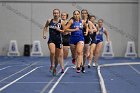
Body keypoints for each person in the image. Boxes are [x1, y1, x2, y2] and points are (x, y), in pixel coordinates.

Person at [43, 9, 64, 76]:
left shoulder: (62, 22)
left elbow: (65, 31)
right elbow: (45, 27)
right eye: (54, 13)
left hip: (58, 40)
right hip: (51, 40)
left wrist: (59, 30)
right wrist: (44, 34)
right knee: (52, 52)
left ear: (59, 14)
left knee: (57, 57)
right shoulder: (49, 21)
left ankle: (55, 68)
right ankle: (52, 64)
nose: (56, 14)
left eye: (57, 13)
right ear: (53, 14)